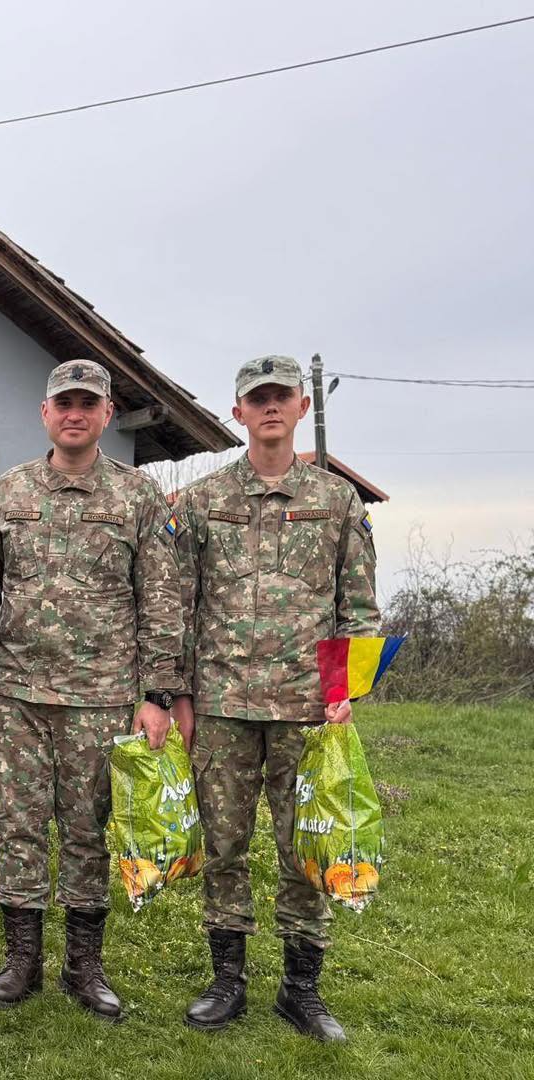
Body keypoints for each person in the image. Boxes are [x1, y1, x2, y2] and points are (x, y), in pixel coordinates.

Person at [0, 360, 183, 1017]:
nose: (75, 414)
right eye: (64, 403)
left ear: (107, 414)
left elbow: (161, 601)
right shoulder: (8, 493)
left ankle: (84, 968)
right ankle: (21, 962)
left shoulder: (137, 498)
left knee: (87, 830)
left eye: (88, 404)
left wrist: (158, 695)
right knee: (18, 826)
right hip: (17, 695)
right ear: (45, 413)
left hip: (101, 697)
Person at [173, 355, 378, 1042]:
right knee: (224, 846)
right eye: (255, 397)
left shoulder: (336, 501)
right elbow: (178, 604)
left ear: (300, 407)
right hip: (222, 706)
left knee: (306, 847)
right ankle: (226, 980)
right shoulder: (200, 502)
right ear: (237, 412)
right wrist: (177, 694)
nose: (268, 407)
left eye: (280, 396)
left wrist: (345, 691)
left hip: (307, 709)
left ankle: (301, 989)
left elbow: (359, 609)